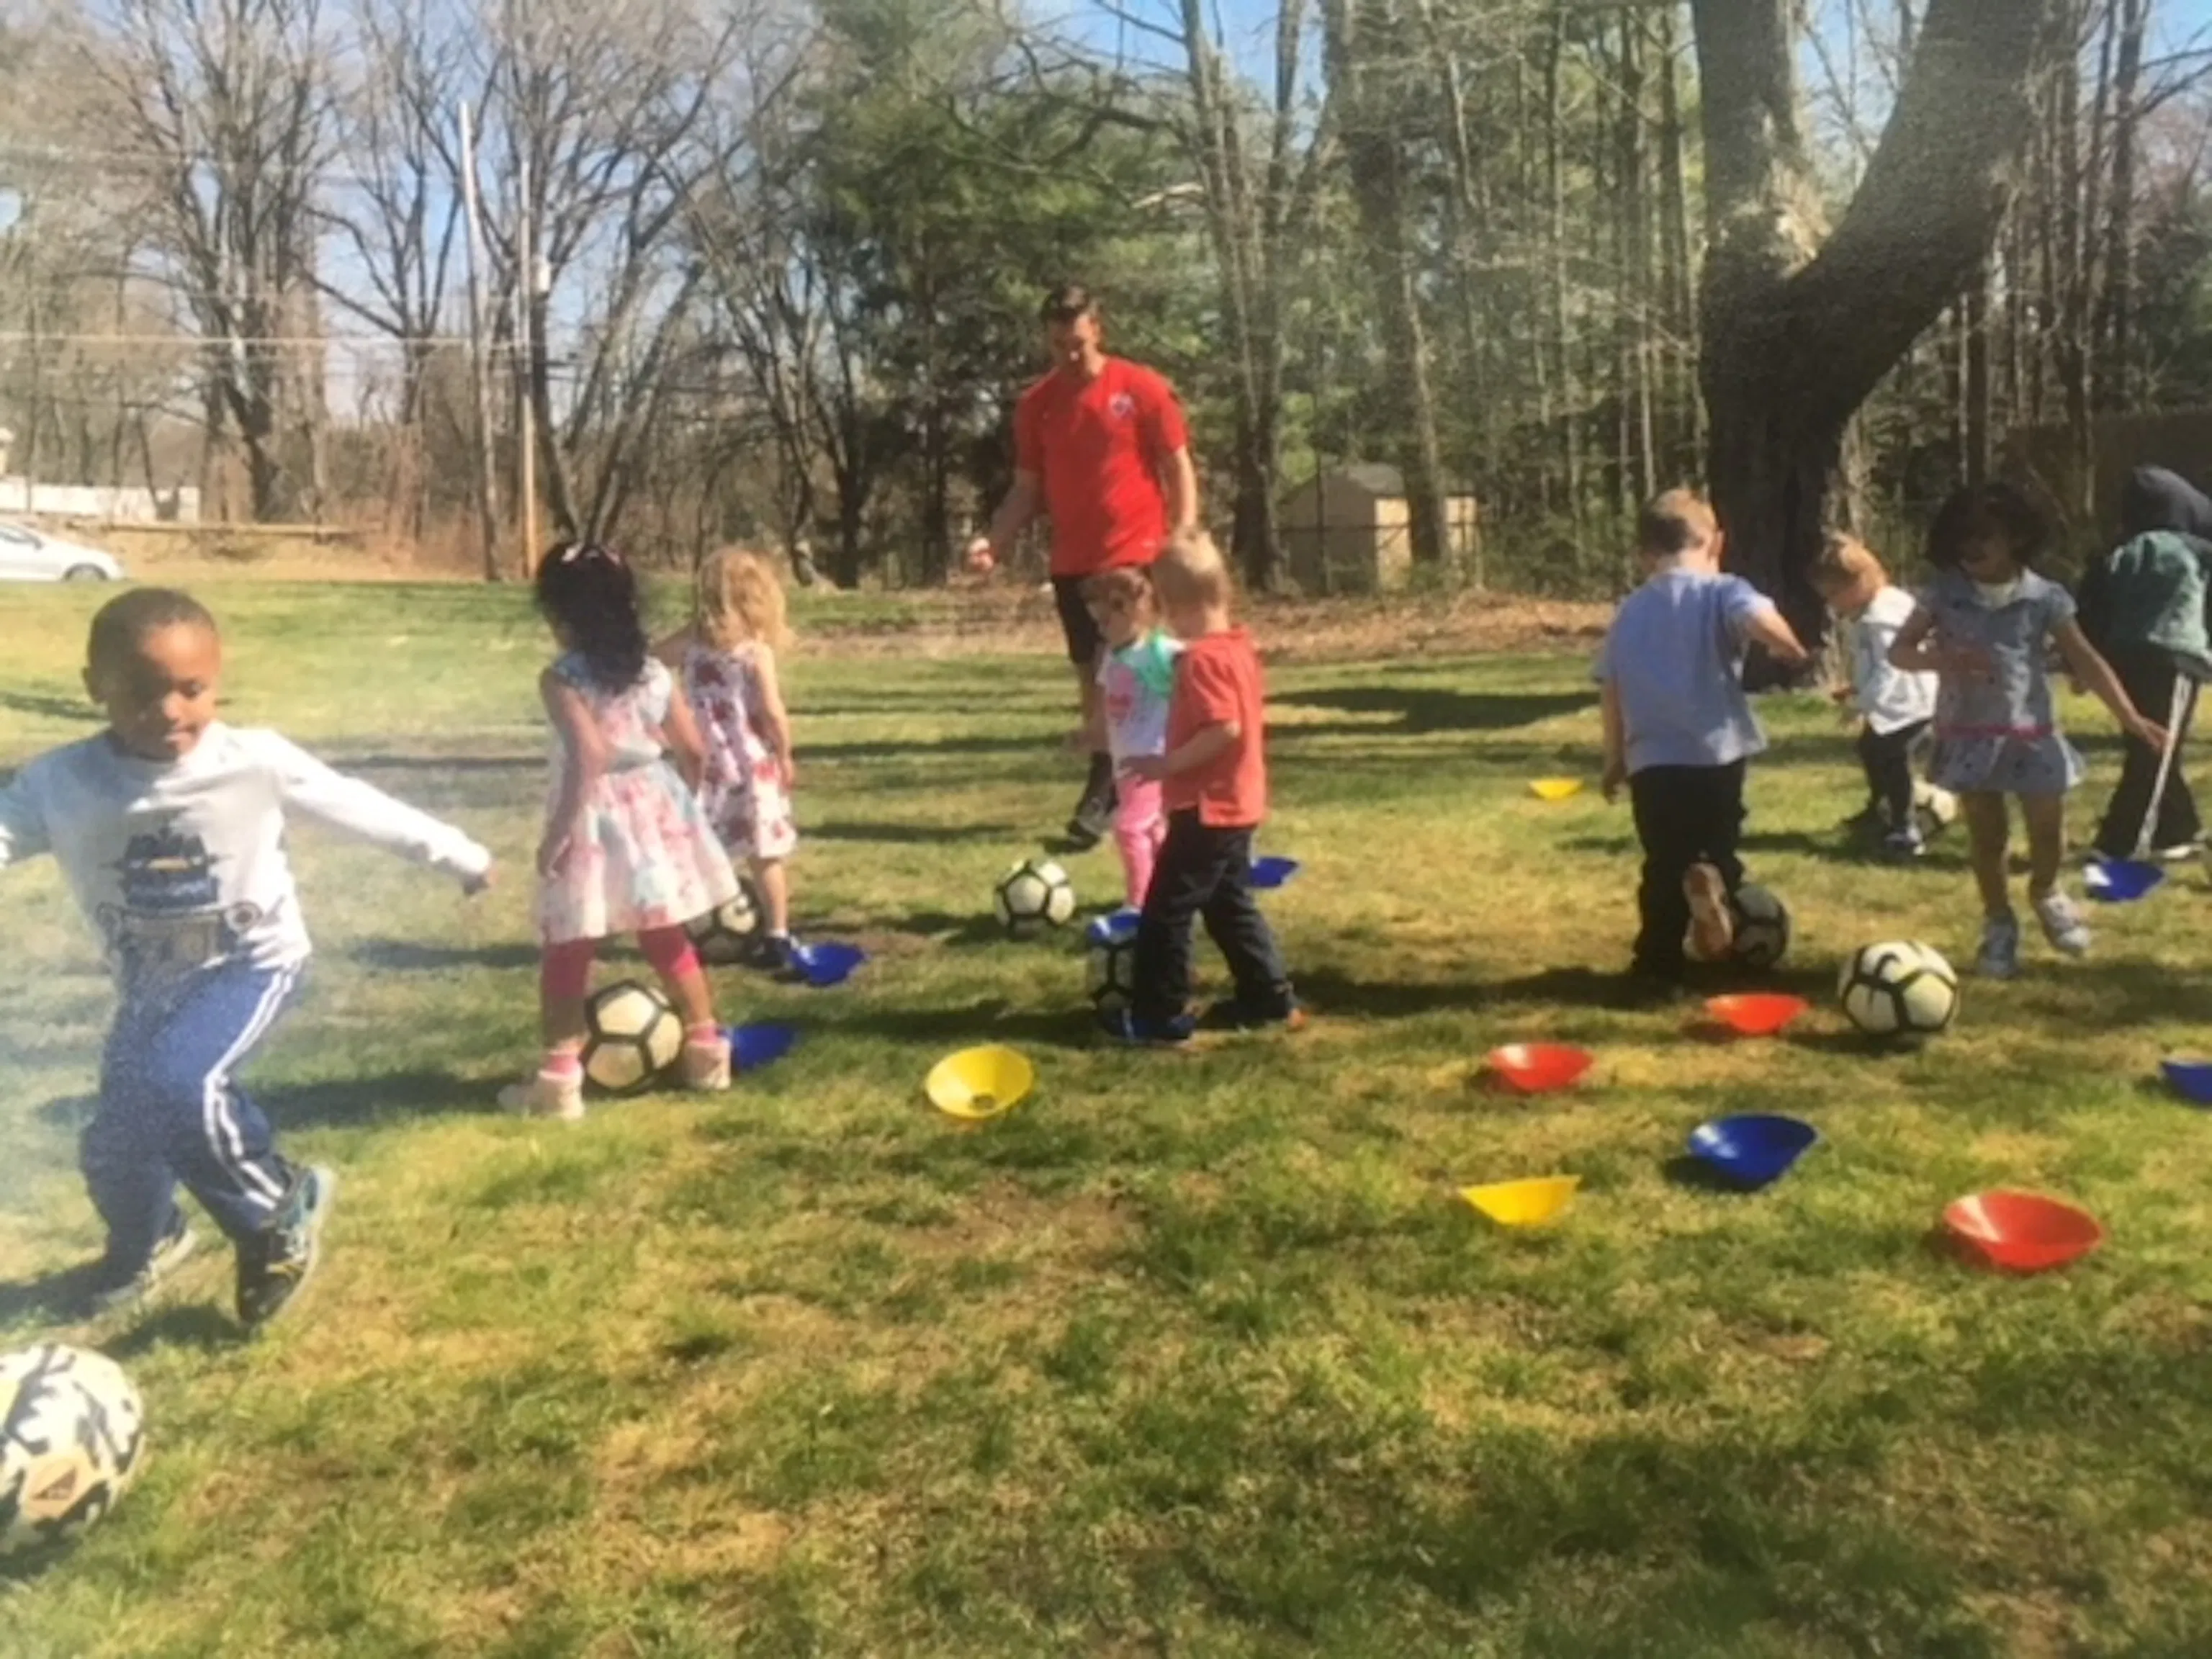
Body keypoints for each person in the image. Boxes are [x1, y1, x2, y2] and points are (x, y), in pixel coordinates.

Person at [0, 588, 493, 1326]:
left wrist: (456, 853)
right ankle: (148, 1243)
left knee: (182, 1084)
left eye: (191, 689)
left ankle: (273, 1215)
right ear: (94, 687)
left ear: (218, 678)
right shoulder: (61, 782)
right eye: (141, 694)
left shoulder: (252, 760)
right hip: (151, 985)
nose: (170, 712)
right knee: (115, 1141)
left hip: (251, 964)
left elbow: (354, 803)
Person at [1888, 482, 2167, 979]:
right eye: (1963, 537)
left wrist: (2129, 716)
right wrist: (1943, 658)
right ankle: (1999, 922)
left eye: (1985, 536)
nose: (1972, 547)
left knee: (2047, 828)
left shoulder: (2045, 598)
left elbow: (2086, 658)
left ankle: (2047, 890)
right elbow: (1899, 652)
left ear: (2016, 538)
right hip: (1969, 735)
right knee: (1988, 836)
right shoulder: (1943, 596)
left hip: (2032, 734)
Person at [502, 542, 740, 1120]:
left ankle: (559, 1082)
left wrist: (558, 834)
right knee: (665, 932)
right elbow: (693, 750)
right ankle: (707, 1054)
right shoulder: (654, 674)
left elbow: (588, 755)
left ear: (561, 617)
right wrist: (685, 809)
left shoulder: (562, 679)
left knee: (569, 942)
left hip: (592, 817)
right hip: (655, 809)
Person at [980, 283, 1200, 850]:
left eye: (1077, 342)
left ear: (1097, 330)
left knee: (1135, 669)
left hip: (1135, 554)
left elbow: (1176, 464)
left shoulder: (1140, 387)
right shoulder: (1038, 405)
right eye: (1058, 345)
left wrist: (1182, 533)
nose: (1069, 354)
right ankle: (1122, 779)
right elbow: (1026, 488)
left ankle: (1118, 789)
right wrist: (994, 541)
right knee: (1094, 677)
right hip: (1073, 562)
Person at [1598, 490, 1810, 992]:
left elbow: (1612, 688)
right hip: (1717, 751)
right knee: (1720, 843)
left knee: (1662, 863)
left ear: (1645, 555)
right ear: (1716, 543)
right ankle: (1721, 900)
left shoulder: (1629, 611)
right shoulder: (1721, 591)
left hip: (1653, 758)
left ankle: (1657, 964)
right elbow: (1757, 617)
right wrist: (1788, 647)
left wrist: (1614, 757)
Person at [1103, 529, 1298, 1044]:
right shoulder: (1238, 647)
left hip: (1207, 808)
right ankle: (1269, 997)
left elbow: (1224, 728)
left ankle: (1160, 1018)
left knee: (1165, 911)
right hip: (1239, 803)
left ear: (1169, 607)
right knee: (1228, 903)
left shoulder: (1204, 660)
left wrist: (1167, 765)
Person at [657, 547, 804, 976]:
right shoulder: (755, 652)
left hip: (705, 765)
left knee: (699, 852)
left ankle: (690, 930)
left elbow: (649, 659)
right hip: (752, 765)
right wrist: (785, 753)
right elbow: (772, 711)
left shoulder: (690, 644)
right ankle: (777, 934)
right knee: (765, 854)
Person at [2077, 465, 2212, 861]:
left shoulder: (2117, 553)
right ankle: (2119, 844)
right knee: (2155, 750)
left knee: (2148, 743)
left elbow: (2093, 607)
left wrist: (2082, 661)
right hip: (2174, 659)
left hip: (2123, 661)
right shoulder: (2196, 551)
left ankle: (2178, 830)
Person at [1810, 531, 1939, 860]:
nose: (1832, 604)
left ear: (1860, 583)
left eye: (1835, 594)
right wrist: (1857, 687)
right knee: (1870, 747)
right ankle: (1880, 809)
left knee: (1894, 755)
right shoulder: (1871, 612)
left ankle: (1906, 828)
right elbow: (1872, 664)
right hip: (1893, 702)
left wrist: (1862, 703)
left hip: (1912, 702)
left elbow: (1891, 666)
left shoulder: (1881, 617)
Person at [1076, 565, 1182, 910]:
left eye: (1106, 621)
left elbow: (1200, 670)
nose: (1101, 629)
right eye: (1097, 622)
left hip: (1151, 760)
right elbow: (1105, 706)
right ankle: (1172, 888)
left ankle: (1139, 903)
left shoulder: (1161, 652)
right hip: (1124, 763)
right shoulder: (1113, 656)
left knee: (1129, 829)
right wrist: (1090, 734)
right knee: (1153, 829)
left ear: (1133, 610)